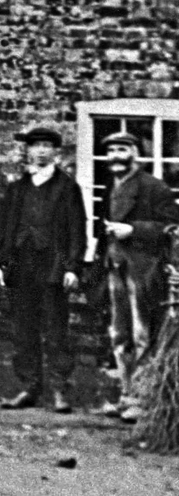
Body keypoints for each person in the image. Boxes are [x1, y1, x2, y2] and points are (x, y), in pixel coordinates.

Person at [0, 123, 87, 413]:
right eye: (36, 146)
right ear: (28, 151)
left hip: (53, 266)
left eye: (47, 146)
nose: (41, 151)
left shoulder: (67, 187)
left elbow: (77, 230)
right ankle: (29, 387)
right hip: (22, 266)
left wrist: (73, 267)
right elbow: (5, 230)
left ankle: (59, 389)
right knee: (23, 329)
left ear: (56, 152)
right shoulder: (17, 189)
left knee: (56, 329)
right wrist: (0, 264)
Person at [95, 130, 179, 422]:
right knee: (119, 335)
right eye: (111, 151)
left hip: (143, 269)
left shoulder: (154, 187)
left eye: (122, 149)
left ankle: (143, 398)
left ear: (135, 153)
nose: (115, 156)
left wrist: (134, 230)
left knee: (143, 334)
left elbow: (171, 228)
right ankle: (126, 392)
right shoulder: (111, 185)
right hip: (115, 266)